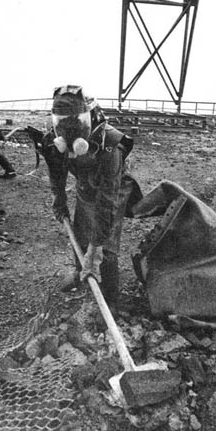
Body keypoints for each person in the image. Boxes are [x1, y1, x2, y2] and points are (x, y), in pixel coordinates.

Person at [42, 85, 142, 314]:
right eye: (62, 124)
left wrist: (96, 247)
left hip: (113, 187)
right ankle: (84, 275)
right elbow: (56, 171)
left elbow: (108, 202)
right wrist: (59, 200)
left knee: (105, 244)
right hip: (86, 183)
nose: (69, 131)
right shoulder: (56, 138)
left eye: (75, 124)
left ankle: (110, 297)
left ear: (88, 118)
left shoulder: (110, 146)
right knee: (81, 231)